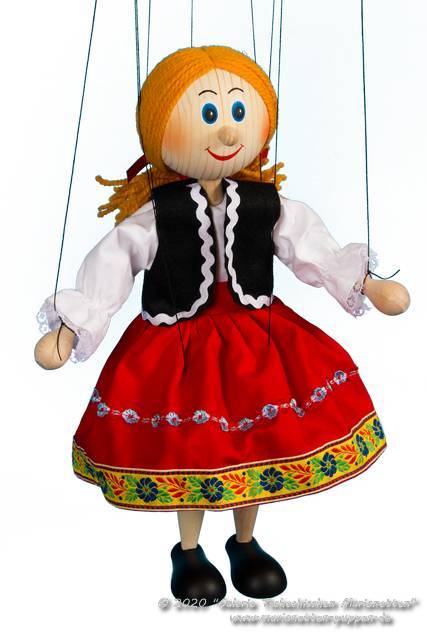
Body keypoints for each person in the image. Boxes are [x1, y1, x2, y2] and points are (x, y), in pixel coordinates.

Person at [35, 45, 410, 606]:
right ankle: (188, 550)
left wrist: (363, 282)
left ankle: (245, 542)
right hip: (176, 343)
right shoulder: (156, 213)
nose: (228, 130)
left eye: (239, 111)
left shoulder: (264, 203)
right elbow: (113, 265)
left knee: (254, 439)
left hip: (256, 338)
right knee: (192, 445)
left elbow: (308, 247)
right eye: (208, 113)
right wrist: (71, 326)